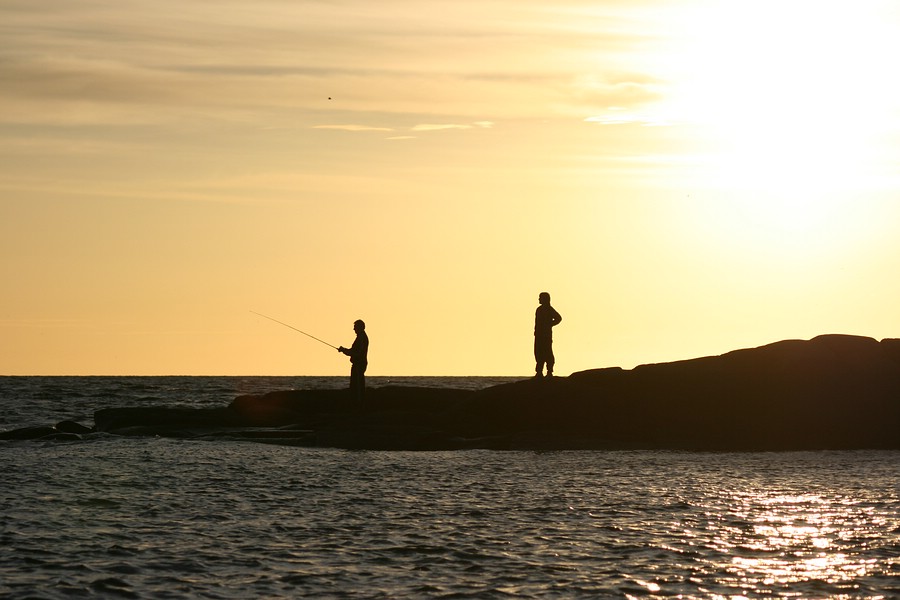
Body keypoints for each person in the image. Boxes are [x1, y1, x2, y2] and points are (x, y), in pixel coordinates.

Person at [338, 319, 369, 402]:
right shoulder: (360, 337)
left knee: (358, 386)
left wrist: (344, 350)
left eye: (355, 327)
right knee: (356, 385)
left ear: (359, 327)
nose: (354, 329)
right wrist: (344, 350)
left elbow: (357, 352)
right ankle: (357, 404)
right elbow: (354, 351)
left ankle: (359, 405)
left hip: (359, 364)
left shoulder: (362, 337)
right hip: (358, 364)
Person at [534, 292, 562, 378]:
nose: (539, 299)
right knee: (538, 353)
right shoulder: (539, 309)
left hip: (546, 336)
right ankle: (539, 372)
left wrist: (550, 324)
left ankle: (549, 371)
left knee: (548, 353)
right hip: (539, 335)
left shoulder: (549, 309)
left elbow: (559, 318)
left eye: (540, 298)